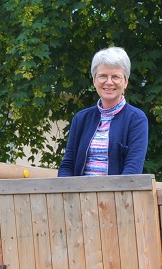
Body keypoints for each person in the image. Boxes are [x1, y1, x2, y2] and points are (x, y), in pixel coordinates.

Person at [57, 46, 148, 177]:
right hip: (78, 194)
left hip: (118, 194)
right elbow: (67, 165)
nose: (109, 82)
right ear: (94, 80)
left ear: (126, 82)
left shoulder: (136, 119)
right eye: (103, 76)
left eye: (116, 77)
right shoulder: (81, 118)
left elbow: (132, 170)